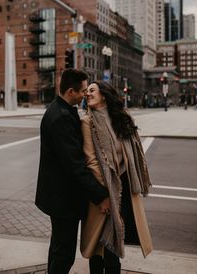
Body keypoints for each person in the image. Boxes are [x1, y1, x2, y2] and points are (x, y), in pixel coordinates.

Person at [35, 69, 109, 274]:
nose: (86, 94)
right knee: (64, 254)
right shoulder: (60, 118)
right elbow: (75, 165)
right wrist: (101, 195)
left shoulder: (61, 110)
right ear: (70, 91)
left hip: (58, 197)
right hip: (62, 199)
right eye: (83, 91)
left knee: (58, 248)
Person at [80, 81, 153, 274]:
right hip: (102, 191)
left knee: (113, 247)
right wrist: (105, 195)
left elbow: (133, 152)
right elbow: (91, 160)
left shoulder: (122, 118)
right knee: (98, 246)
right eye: (86, 91)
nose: (87, 93)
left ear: (104, 95)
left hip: (123, 189)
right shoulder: (87, 121)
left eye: (92, 90)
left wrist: (116, 191)